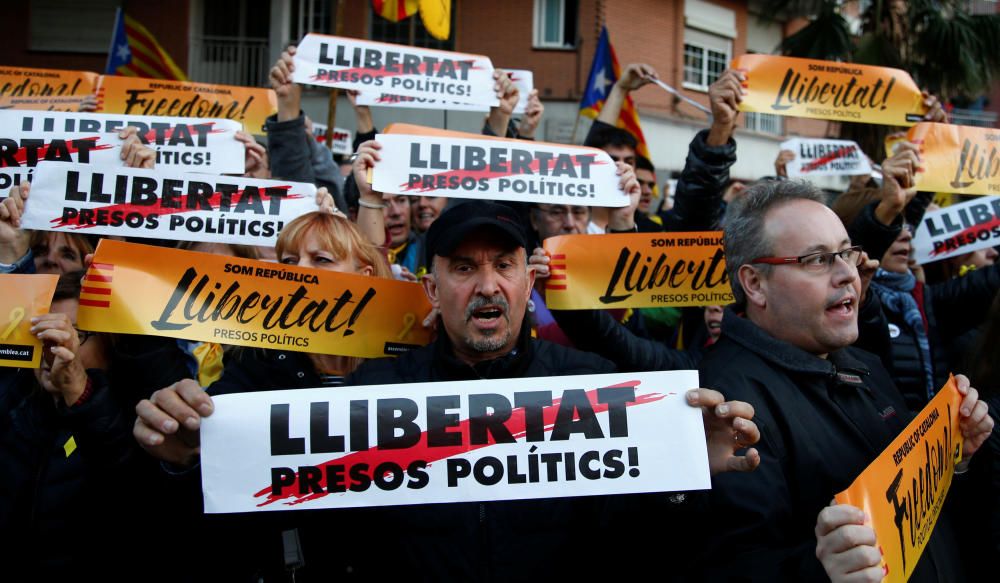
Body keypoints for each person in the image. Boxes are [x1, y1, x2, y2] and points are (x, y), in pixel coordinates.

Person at [134, 200, 760, 581]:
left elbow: (647, 551)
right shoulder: (363, 398)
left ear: (527, 284)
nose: (487, 285)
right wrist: (183, 466)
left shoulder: (595, 387)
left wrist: (682, 474)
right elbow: (248, 531)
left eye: (503, 265)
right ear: (432, 292)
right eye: (463, 268)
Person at [696, 179, 993, 581]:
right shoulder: (726, 406)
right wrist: (822, 571)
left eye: (847, 253)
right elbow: (727, 565)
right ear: (754, 284)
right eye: (817, 260)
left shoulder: (864, 364)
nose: (847, 275)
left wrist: (953, 459)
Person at [0, 271, 135, 580]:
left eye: (74, 334)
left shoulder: (137, 411)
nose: (53, 347)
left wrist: (78, 390)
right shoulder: (15, 408)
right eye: (41, 334)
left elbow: (124, 493)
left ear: (109, 343)